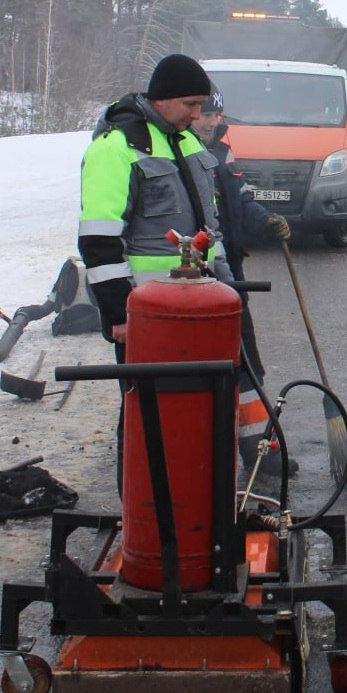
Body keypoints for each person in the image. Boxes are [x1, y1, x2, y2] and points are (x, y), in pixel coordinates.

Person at [78, 53, 231, 494]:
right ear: (161, 99)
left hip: (200, 306)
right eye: (189, 104)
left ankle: (193, 502)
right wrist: (117, 315)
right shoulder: (116, 147)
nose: (196, 114)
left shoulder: (185, 143)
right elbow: (99, 239)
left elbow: (206, 226)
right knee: (145, 415)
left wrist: (223, 282)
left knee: (196, 412)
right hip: (146, 317)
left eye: (200, 104)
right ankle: (144, 509)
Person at [190, 83, 296, 479]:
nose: (212, 121)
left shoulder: (221, 150)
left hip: (230, 273)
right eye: (204, 114)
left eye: (217, 114)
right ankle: (208, 454)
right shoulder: (180, 151)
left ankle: (258, 453)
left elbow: (242, 195)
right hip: (196, 279)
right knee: (212, 369)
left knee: (248, 365)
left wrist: (265, 221)